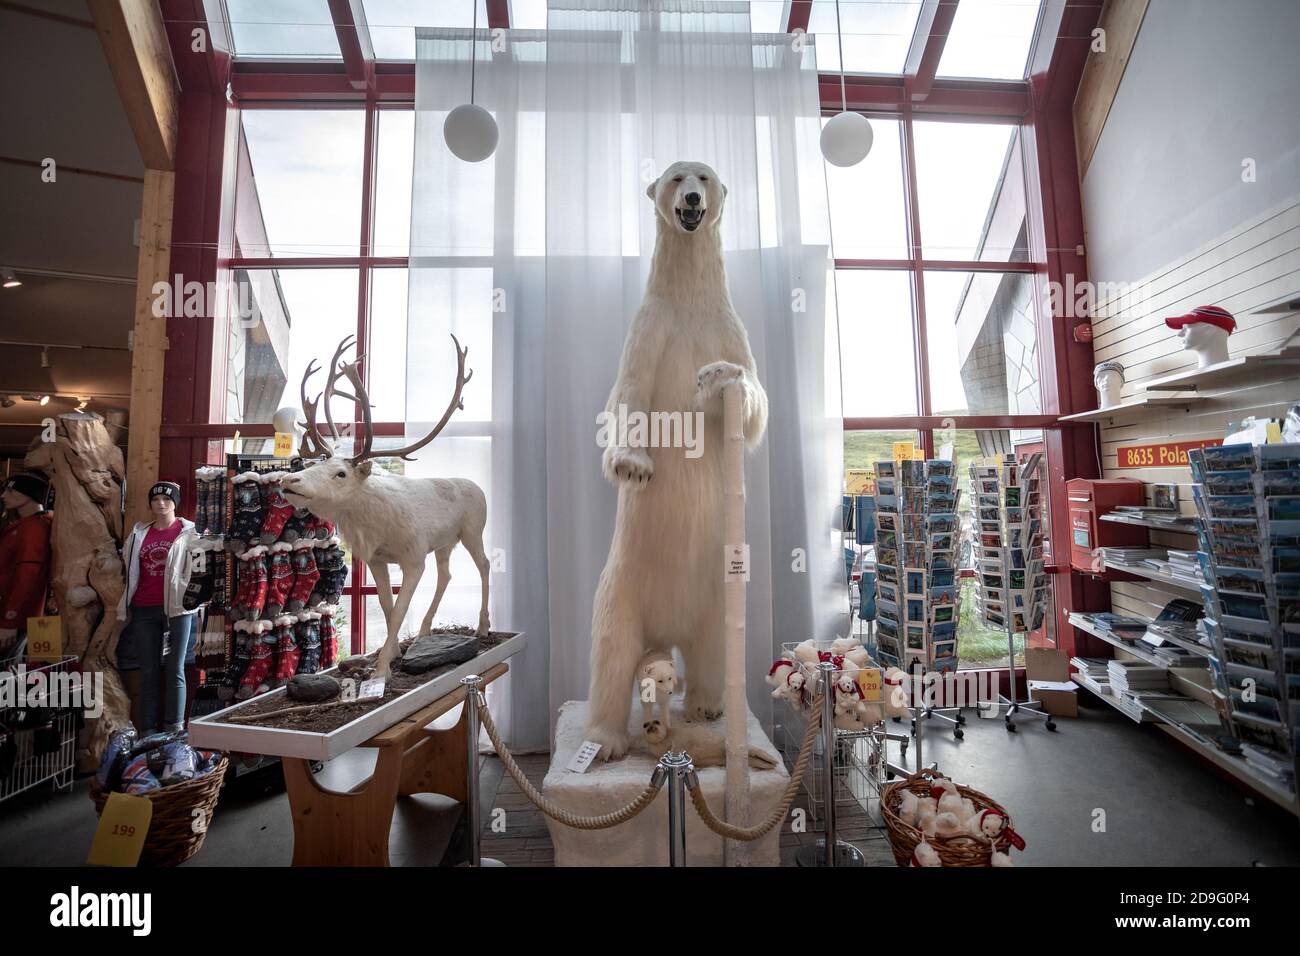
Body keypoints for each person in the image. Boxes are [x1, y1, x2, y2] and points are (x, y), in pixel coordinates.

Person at [117, 481, 198, 733]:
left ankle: (174, 730)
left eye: (166, 499)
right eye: (155, 499)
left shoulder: (189, 533)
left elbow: (198, 569)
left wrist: (188, 595)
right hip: (143, 607)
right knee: (148, 671)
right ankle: (147, 732)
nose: (160, 503)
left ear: (176, 502)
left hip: (177, 610)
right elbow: (129, 567)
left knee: (175, 669)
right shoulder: (138, 533)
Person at [0, 473, 54, 664]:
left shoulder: (34, 528)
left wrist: (10, 621)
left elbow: (28, 576)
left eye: (10, 490)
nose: (3, 495)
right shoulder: (25, 525)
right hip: (26, 618)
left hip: (21, 619)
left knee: (9, 677)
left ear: (28, 494)